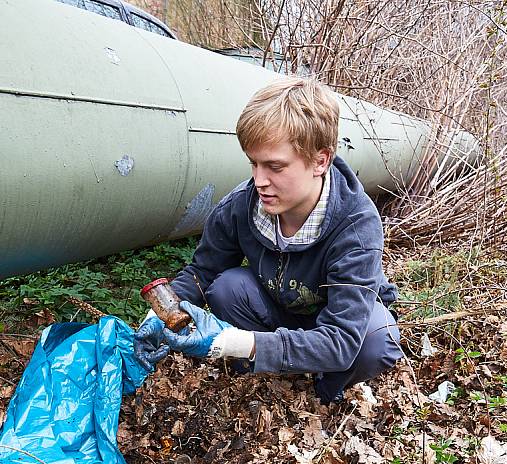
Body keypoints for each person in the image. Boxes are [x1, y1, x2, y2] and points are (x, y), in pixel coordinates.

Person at [134, 76, 402, 404]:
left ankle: (325, 389)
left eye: (275, 166)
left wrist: (230, 342)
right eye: (254, 163)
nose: (259, 181)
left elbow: (341, 340)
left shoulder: (356, 225)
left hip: (337, 324)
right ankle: (267, 376)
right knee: (226, 287)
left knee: (376, 338)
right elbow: (202, 273)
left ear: (321, 160)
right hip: (279, 310)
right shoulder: (241, 206)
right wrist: (158, 318)